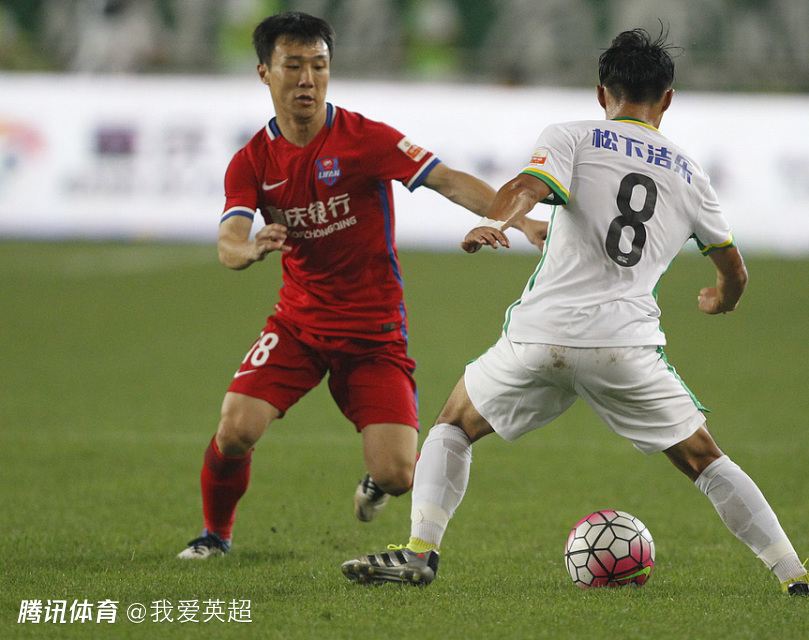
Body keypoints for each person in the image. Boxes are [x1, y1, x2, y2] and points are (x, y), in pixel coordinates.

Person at [340, 27, 809, 597]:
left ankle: (419, 551)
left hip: (541, 337)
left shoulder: (573, 136)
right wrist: (720, 298)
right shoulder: (690, 173)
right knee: (705, 459)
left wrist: (494, 223)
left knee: (454, 425)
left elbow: (527, 186)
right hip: (623, 346)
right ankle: (797, 579)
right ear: (667, 99)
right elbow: (734, 269)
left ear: (602, 93)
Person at [178, 11, 547, 560]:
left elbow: (447, 180)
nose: (308, 79)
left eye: (319, 65)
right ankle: (215, 535)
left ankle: (376, 482)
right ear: (264, 72)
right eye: (293, 66)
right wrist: (249, 248)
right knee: (235, 428)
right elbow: (228, 240)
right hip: (298, 326)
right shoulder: (251, 161)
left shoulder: (364, 138)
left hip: (374, 334)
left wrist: (520, 220)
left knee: (398, 474)